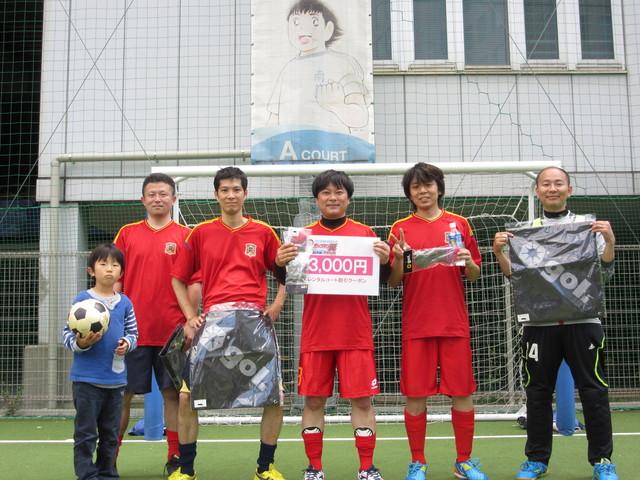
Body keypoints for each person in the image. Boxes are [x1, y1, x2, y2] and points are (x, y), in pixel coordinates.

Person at [492, 166, 618, 480]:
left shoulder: (587, 227)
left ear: (569, 189)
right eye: (546, 184)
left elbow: (604, 274)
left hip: (583, 322)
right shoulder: (525, 232)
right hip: (539, 327)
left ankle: (602, 461)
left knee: (593, 391)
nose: (552, 188)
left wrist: (610, 242)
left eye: (558, 183)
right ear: (537, 191)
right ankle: (536, 460)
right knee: (537, 393)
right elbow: (515, 277)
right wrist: (499, 252)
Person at [170, 166, 288, 480]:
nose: (231, 195)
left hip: (255, 322)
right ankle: (186, 469)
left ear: (245, 193)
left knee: (275, 395)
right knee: (186, 396)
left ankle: (265, 467)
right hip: (215, 324)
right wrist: (190, 315)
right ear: (216, 194)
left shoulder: (263, 232)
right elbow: (177, 278)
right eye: (225, 190)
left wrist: (277, 304)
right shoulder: (200, 233)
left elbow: (286, 273)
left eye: (236, 189)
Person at [277, 169, 390, 480]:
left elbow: (382, 280)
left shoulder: (365, 235)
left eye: (339, 192)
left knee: (362, 401)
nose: (332, 197)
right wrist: (280, 262)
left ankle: (367, 468)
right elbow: (288, 280)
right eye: (326, 192)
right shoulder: (302, 237)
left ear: (348, 198)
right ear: (317, 199)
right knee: (313, 401)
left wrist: (385, 260)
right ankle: (314, 468)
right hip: (316, 334)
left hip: (355, 334)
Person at [387, 163, 488, 480]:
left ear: (439, 188)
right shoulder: (399, 229)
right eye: (416, 187)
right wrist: (401, 258)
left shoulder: (460, 224)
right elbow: (393, 281)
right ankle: (417, 462)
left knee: (462, 393)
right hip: (417, 325)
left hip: (453, 323)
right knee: (415, 395)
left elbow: (474, 274)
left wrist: (469, 261)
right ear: (409, 193)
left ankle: (464, 461)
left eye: (428, 184)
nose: (423, 191)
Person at [113, 172, 199, 475]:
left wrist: (190, 321)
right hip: (131, 333)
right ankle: (109, 458)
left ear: (174, 198)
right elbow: (114, 280)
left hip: (173, 332)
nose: (158, 199)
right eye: (152, 194)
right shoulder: (127, 234)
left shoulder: (187, 236)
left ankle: (175, 458)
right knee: (120, 395)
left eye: (163, 194)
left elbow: (194, 284)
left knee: (173, 396)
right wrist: (113, 322)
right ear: (143, 199)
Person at [62, 243, 138, 480]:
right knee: (86, 433)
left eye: (115, 265)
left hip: (115, 381)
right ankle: (86, 474)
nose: (109, 269)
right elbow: (66, 334)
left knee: (110, 433)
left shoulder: (125, 303)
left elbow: (134, 333)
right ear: (91, 271)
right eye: (103, 264)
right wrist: (81, 343)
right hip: (86, 381)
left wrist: (127, 343)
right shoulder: (82, 300)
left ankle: (107, 473)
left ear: (121, 272)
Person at [267, 0, 368, 133]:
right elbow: (274, 118)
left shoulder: (344, 63)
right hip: (292, 144)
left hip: (335, 144)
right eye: (296, 22)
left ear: (328, 29)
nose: (303, 29)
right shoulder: (288, 69)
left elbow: (361, 117)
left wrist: (335, 105)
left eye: (314, 22)